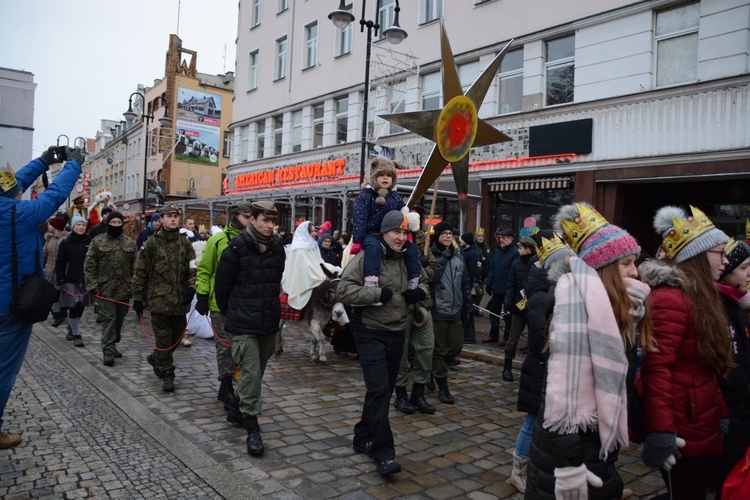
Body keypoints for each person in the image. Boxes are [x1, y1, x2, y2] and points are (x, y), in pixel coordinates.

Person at [526, 202, 651, 500]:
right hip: (571, 452)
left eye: (635, 262)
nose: (635, 272)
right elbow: (560, 394)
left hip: (594, 446)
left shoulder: (620, 307)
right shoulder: (576, 304)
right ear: (603, 266)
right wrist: (569, 466)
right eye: (626, 263)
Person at [638, 205, 733, 499]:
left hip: (702, 418)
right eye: (721, 252)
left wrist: (720, 411)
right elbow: (657, 369)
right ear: (699, 255)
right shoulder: (671, 299)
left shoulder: (702, 296)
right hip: (681, 426)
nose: (726, 261)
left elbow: (702, 368)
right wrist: (661, 433)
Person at [1, 146, 84, 449]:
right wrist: (72, 164)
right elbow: (55, 194)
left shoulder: (10, 205)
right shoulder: (19, 213)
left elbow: (12, 184)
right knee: (3, 372)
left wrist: (43, 161)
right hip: (10, 307)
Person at [337, 210, 430, 475]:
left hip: (397, 330)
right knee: (379, 390)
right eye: (395, 233)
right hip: (370, 331)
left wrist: (420, 293)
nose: (400, 238)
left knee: (383, 391)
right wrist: (377, 293)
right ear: (384, 234)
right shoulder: (368, 257)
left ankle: (362, 435)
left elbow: (424, 282)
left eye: (404, 233)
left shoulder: (409, 259)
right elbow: (343, 289)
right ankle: (383, 452)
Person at [214, 201, 285, 456]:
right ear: (252, 219)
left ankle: (236, 411)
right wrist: (234, 314)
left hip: (267, 322)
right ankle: (252, 429)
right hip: (243, 323)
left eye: (272, 221)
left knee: (257, 372)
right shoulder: (235, 249)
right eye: (265, 220)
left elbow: (276, 279)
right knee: (252, 375)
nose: (270, 226)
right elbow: (222, 290)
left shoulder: (277, 248)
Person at [508, 231, 572, 494]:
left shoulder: (557, 289)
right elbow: (540, 340)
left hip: (553, 368)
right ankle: (518, 470)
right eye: (567, 259)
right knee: (533, 420)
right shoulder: (539, 296)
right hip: (542, 368)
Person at [194, 201, 254, 410]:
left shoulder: (256, 240)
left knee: (243, 347)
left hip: (246, 303)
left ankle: (227, 384)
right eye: (247, 216)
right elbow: (205, 270)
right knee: (225, 345)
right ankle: (227, 386)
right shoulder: (218, 240)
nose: (250, 221)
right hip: (221, 302)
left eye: (253, 216)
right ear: (236, 216)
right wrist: (202, 295)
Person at [132, 205, 196, 392]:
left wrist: (192, 287)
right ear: (162, 219)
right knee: (163, 338)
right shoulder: (152, 243)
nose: (173, 219)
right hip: (158, 301)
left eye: (176, 216)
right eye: (169, 216)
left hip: (179, 301)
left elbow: (193, 268)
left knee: (176, 337)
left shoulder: (185, 244)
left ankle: (156, 358)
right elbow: (140, 272)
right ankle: (168, 373)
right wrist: (138, 298)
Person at [350, 157, 421, 290]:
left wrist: (407, 232)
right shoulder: (366, 195)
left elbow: (403, 214)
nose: (385, 178)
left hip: (392, 234)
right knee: (374, 247)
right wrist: (358, 240)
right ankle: (371, 280)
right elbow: (360, 218)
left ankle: (414, 278)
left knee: (411, 248)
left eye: (389, 175)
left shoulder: (394, 196)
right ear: (373, 177)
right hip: (372, 233)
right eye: (381, 175)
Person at [715, 237, 750, 493]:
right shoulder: (718, 308)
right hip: (729, 410)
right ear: (725, 273)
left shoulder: (737, 304)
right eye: (744, 267)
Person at [84, 211, 137, 366]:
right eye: (112, 222)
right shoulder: (98, 242)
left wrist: (136, 286)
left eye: (118, 223)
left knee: (119, 320)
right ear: (108, 224)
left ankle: (113, 343)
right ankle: (107, 350)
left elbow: (136, 267)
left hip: (124, 289)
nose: (115, 225)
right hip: (104, 288)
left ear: (122, 224)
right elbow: (89, 265)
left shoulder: (130, 243)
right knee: (109, 319)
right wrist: (92, 285)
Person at [428, 221, 472, 405]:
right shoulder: (430, 256)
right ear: (437, 235)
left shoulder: (459, 257)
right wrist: (443, 259)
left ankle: (431, 368)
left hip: (456, 309)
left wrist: (467, 305)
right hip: (438, 310)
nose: (448, 236)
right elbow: (432, 279)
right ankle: (443, 387)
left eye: (450, 233)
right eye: (444, 233)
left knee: (455, 347)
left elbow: (465, 283)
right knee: (439, 349)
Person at [501, 237, 537, 382]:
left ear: (528, 249)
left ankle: (533, 369)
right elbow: (511, 286)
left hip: (534, 307)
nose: (518, 250)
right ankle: (507, 367)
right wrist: (507, 305)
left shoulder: (537, 263)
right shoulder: (516, 264)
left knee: (535, 340)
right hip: (518, 307)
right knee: (512, 339)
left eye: (520, 247)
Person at [55, 214, 92, 347]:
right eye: (78, 225)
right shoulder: (66, 242)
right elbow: (60, 262)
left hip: (86, 280)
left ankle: (71, 327)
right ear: (73, 226)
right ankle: (76, 334)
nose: (81, 227)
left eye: (83, 225)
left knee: (81, 306)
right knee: (74, 305)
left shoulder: (89, 241)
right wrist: (60, 279)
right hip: (71, 279)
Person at [484, 228, 518, 344]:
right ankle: (493, 335)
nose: (501, 240)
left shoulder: (515, 252)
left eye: (504, 238)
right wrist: (489, 283)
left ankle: (506, 337)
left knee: (507, 315)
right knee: (493, 312)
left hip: (508, 289)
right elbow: (493, 268)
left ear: (510, 239)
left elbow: (514, 272)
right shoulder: (498, 251)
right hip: (497, 288)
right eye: (500, 238)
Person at [44, 216, 68, 327]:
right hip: (50, 270)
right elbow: (45, 254)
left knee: (61, 293)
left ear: (56, 226)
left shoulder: (66, 239)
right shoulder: (49, 238)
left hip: (62, 270)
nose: (48, 226)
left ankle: (62, 312)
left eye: (50, 224)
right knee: (53, 294)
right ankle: (57, 315)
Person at [459, 232, 479, 344]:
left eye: (462, 240)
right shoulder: (465, 252)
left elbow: (471, 272)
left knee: (467, 310)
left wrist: (470, 287)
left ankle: (469, 336)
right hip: (463, 284)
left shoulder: (472, 254)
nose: (460, 241)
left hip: (467, 285)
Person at [474, 227, 492, 311]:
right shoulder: (473, 247)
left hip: (483, 274)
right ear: (475, 237)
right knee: (476, 293)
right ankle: (473, 308)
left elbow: (490, 260)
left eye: (482, 236)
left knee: (480, 293)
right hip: (475, 275)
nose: (480, 238)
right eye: (479, 236)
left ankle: (475, 307)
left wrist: (489, 269)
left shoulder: (487, 248)